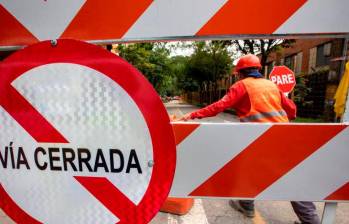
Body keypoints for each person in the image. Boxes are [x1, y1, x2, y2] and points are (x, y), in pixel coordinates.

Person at [178, 54, 320, 224]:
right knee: (291, 177)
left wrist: (192, 115)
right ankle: (310, 220)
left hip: (258, 139)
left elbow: (219, 107)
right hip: (284, 136)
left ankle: (246, 204)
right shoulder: (272, 85)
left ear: (239, 73)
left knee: (246, 168)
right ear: (258, 69)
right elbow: (292, 110)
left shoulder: (241, 86)